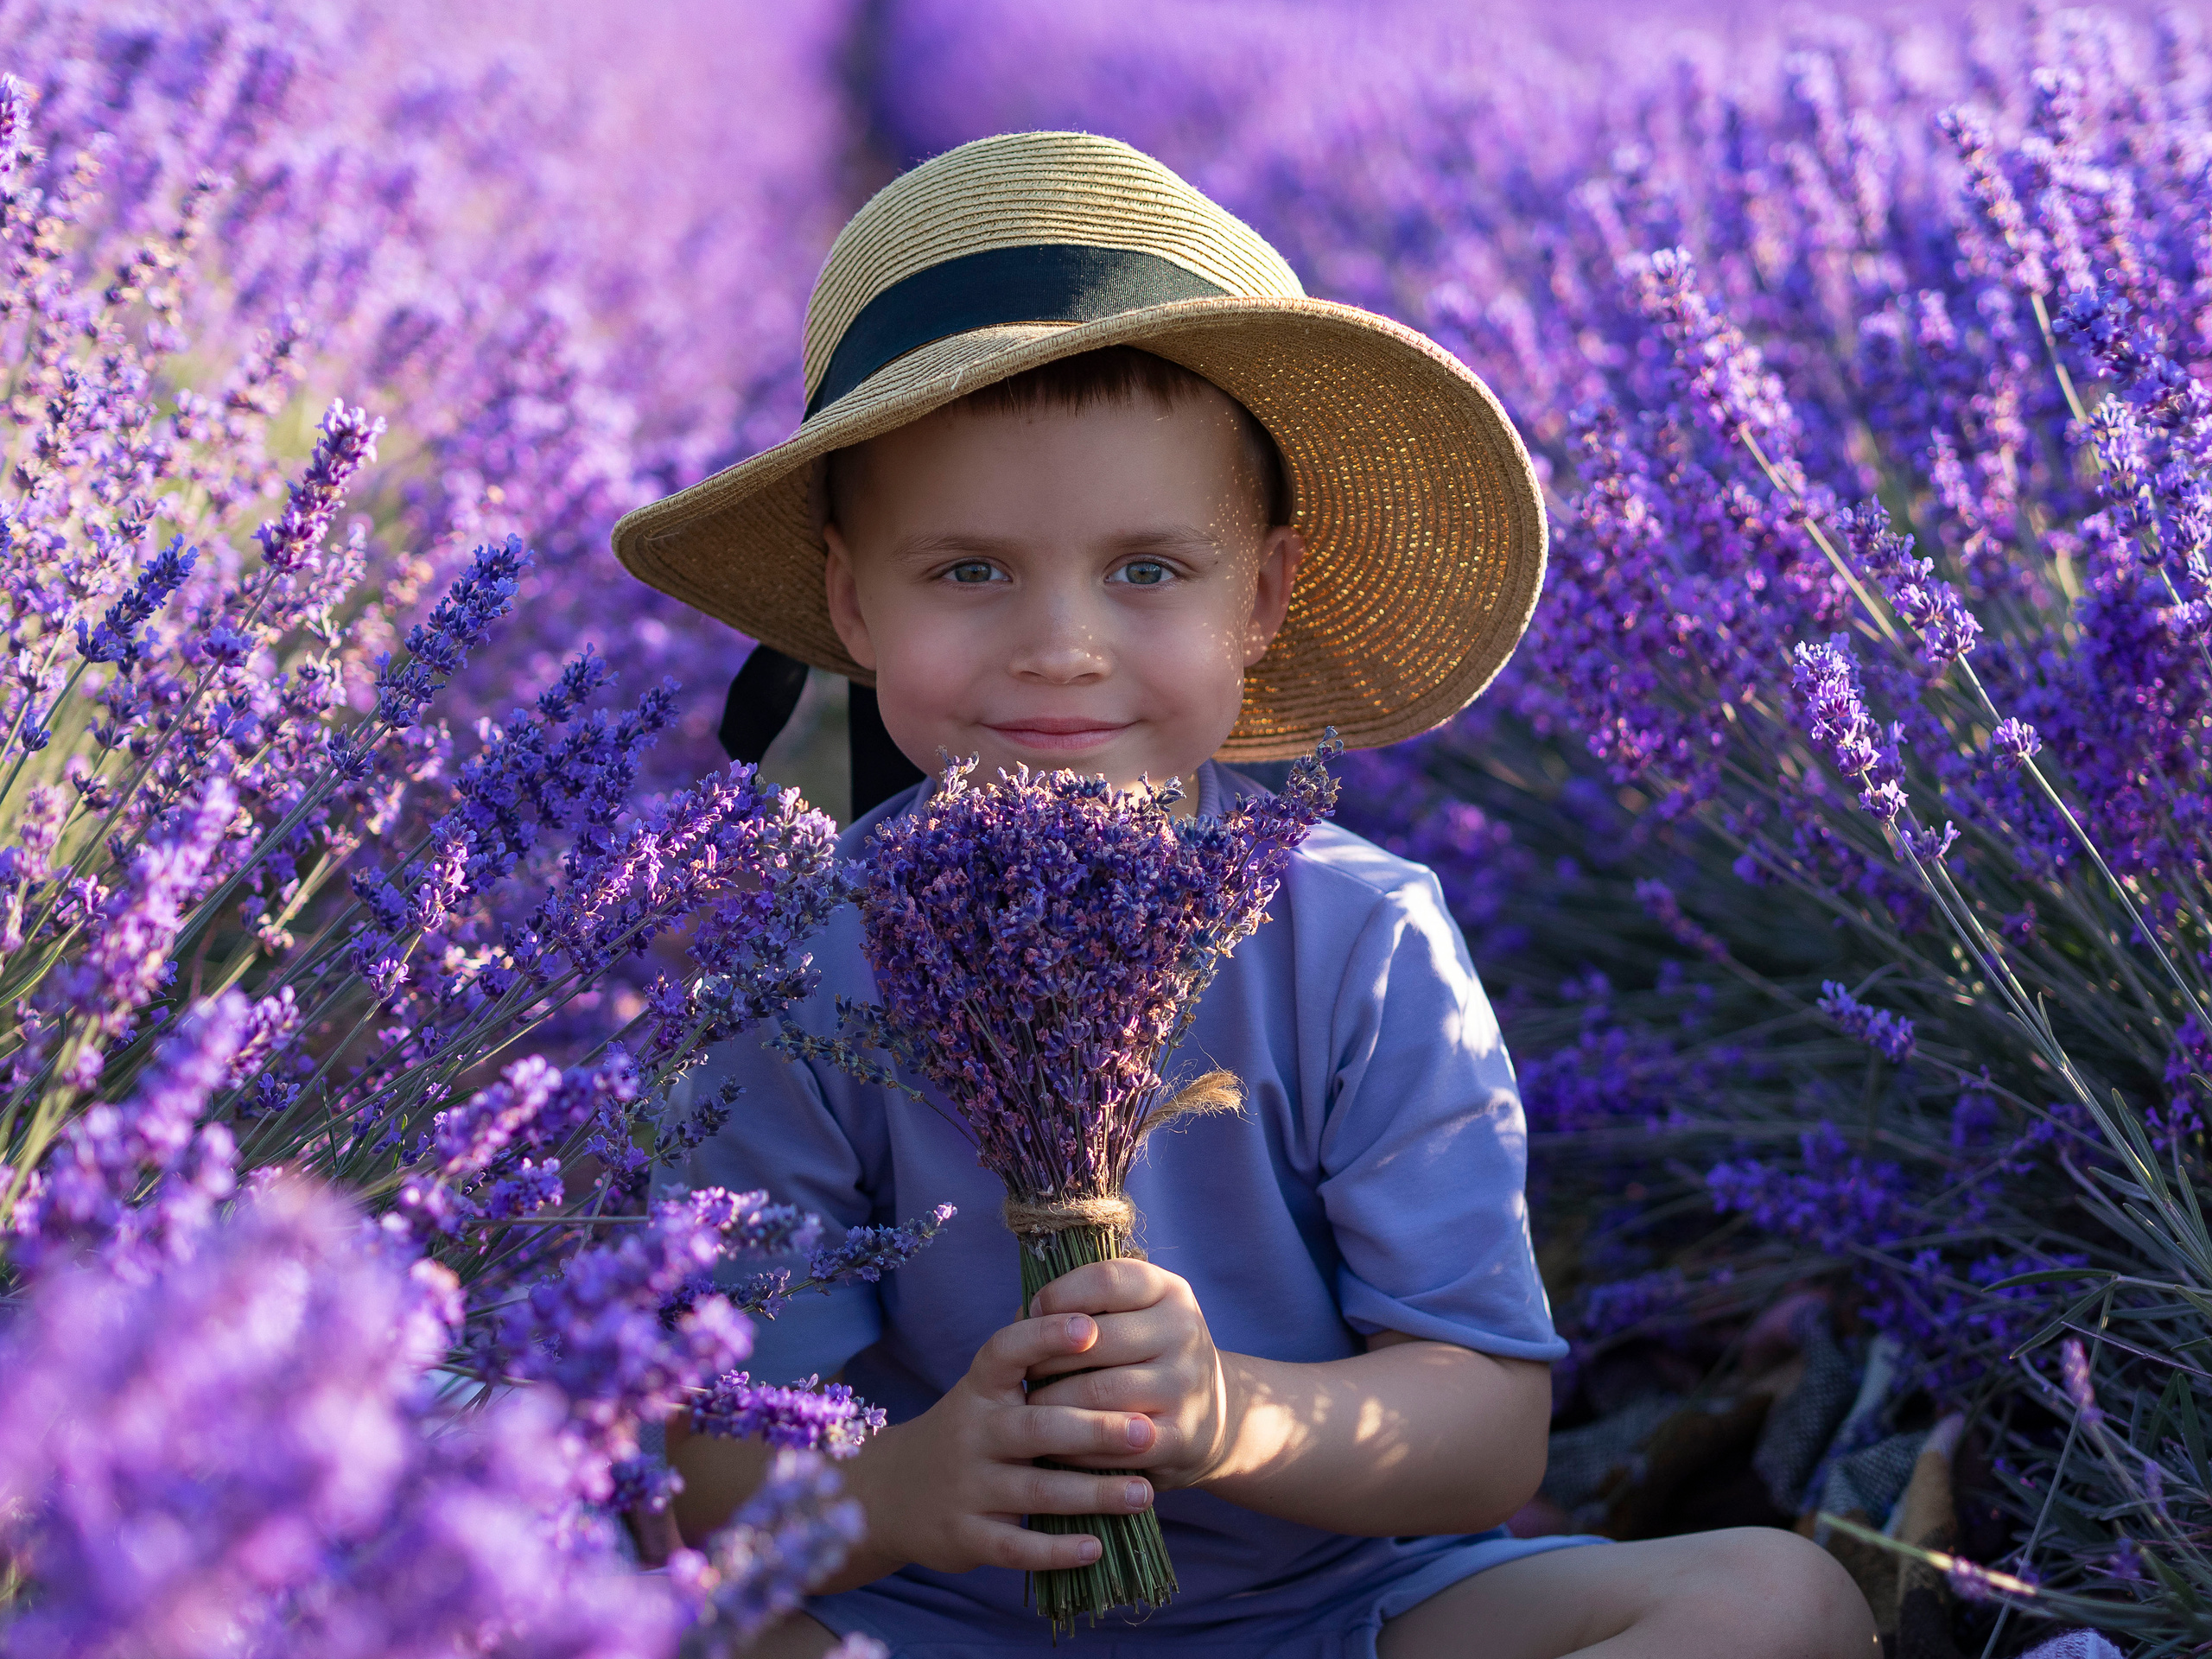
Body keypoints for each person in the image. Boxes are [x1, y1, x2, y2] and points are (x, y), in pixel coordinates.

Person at [613, 130, 1875, 1659]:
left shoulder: (1360, 938)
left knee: (1777, 1603)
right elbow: (717, 1464)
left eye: (1148, 569)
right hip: (937, 1624)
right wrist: (904, 1490)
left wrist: (1229, 1418)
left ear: (1260, 599)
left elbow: (1486, 1436)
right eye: (969, 572)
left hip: (1331, 1616)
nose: (1063, 646)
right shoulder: (801, 962)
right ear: (850, 604)